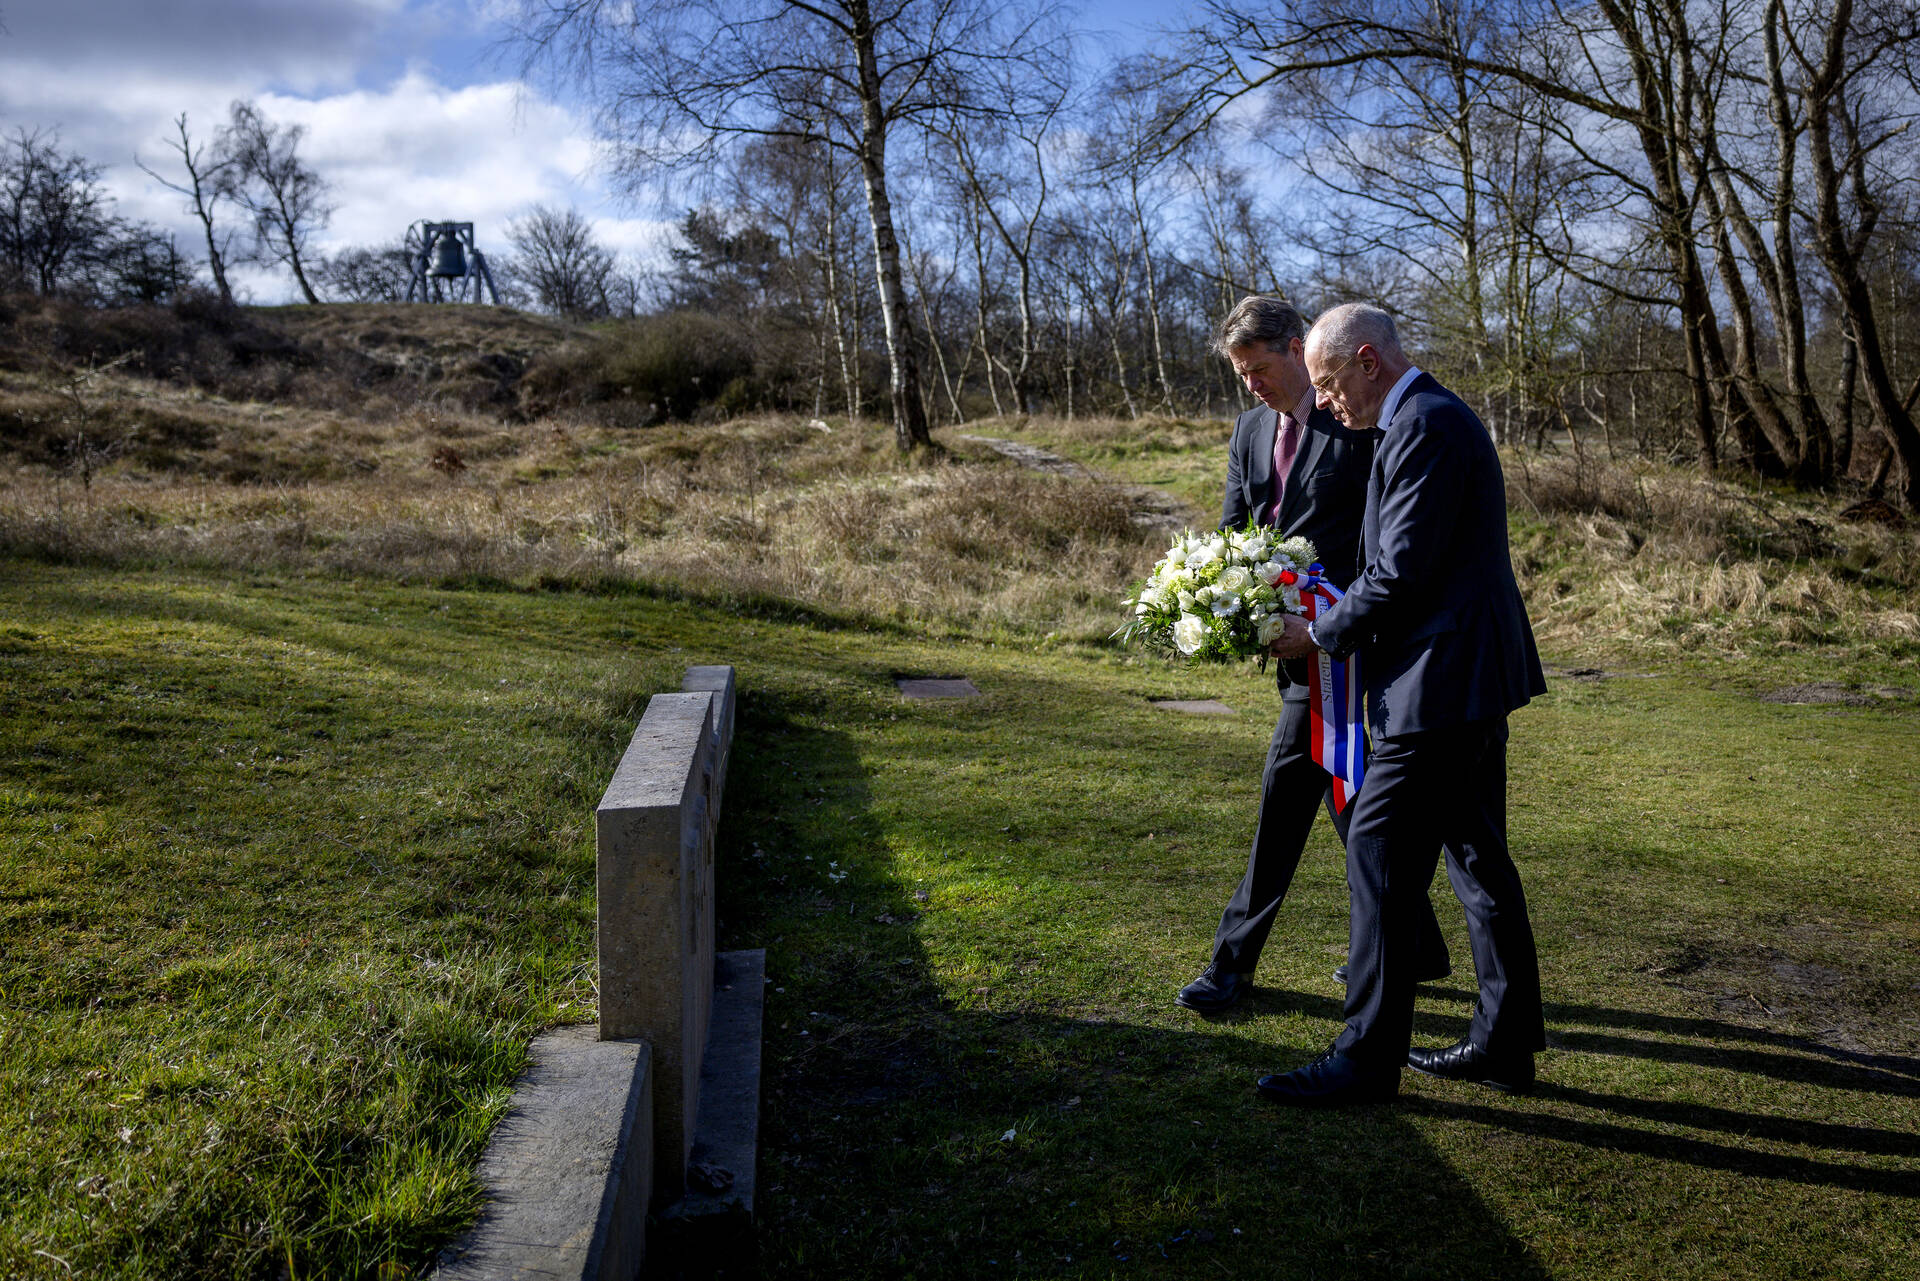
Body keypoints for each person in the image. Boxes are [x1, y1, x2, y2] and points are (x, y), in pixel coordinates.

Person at [1258, 302, 1547, 1106]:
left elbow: (1401, 574)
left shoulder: (1423, 424)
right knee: (1477, 857)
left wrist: (1317, 634)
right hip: (1465, 675)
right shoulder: (1427, 417)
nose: (1324, 401)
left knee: (1378, 846)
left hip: (1443, 681)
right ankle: (1504, 1042)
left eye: (1327, 382)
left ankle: (1364, 1059)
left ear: (1367, 362)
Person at [1174, 296, 1451, 1016]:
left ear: (1296, 348)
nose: (1252, 385)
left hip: (1354, 650)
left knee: (1283, 802)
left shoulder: (1357, 417)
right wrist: (1224, 602)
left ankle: (1230, 967)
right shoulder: (1249, 430)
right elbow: (1237, 532)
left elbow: (1389, 539)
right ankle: (1416, 941)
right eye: (1240, 375)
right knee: (1349, 798)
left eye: (1259, 369)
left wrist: (1337, 621)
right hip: (1294, 652)